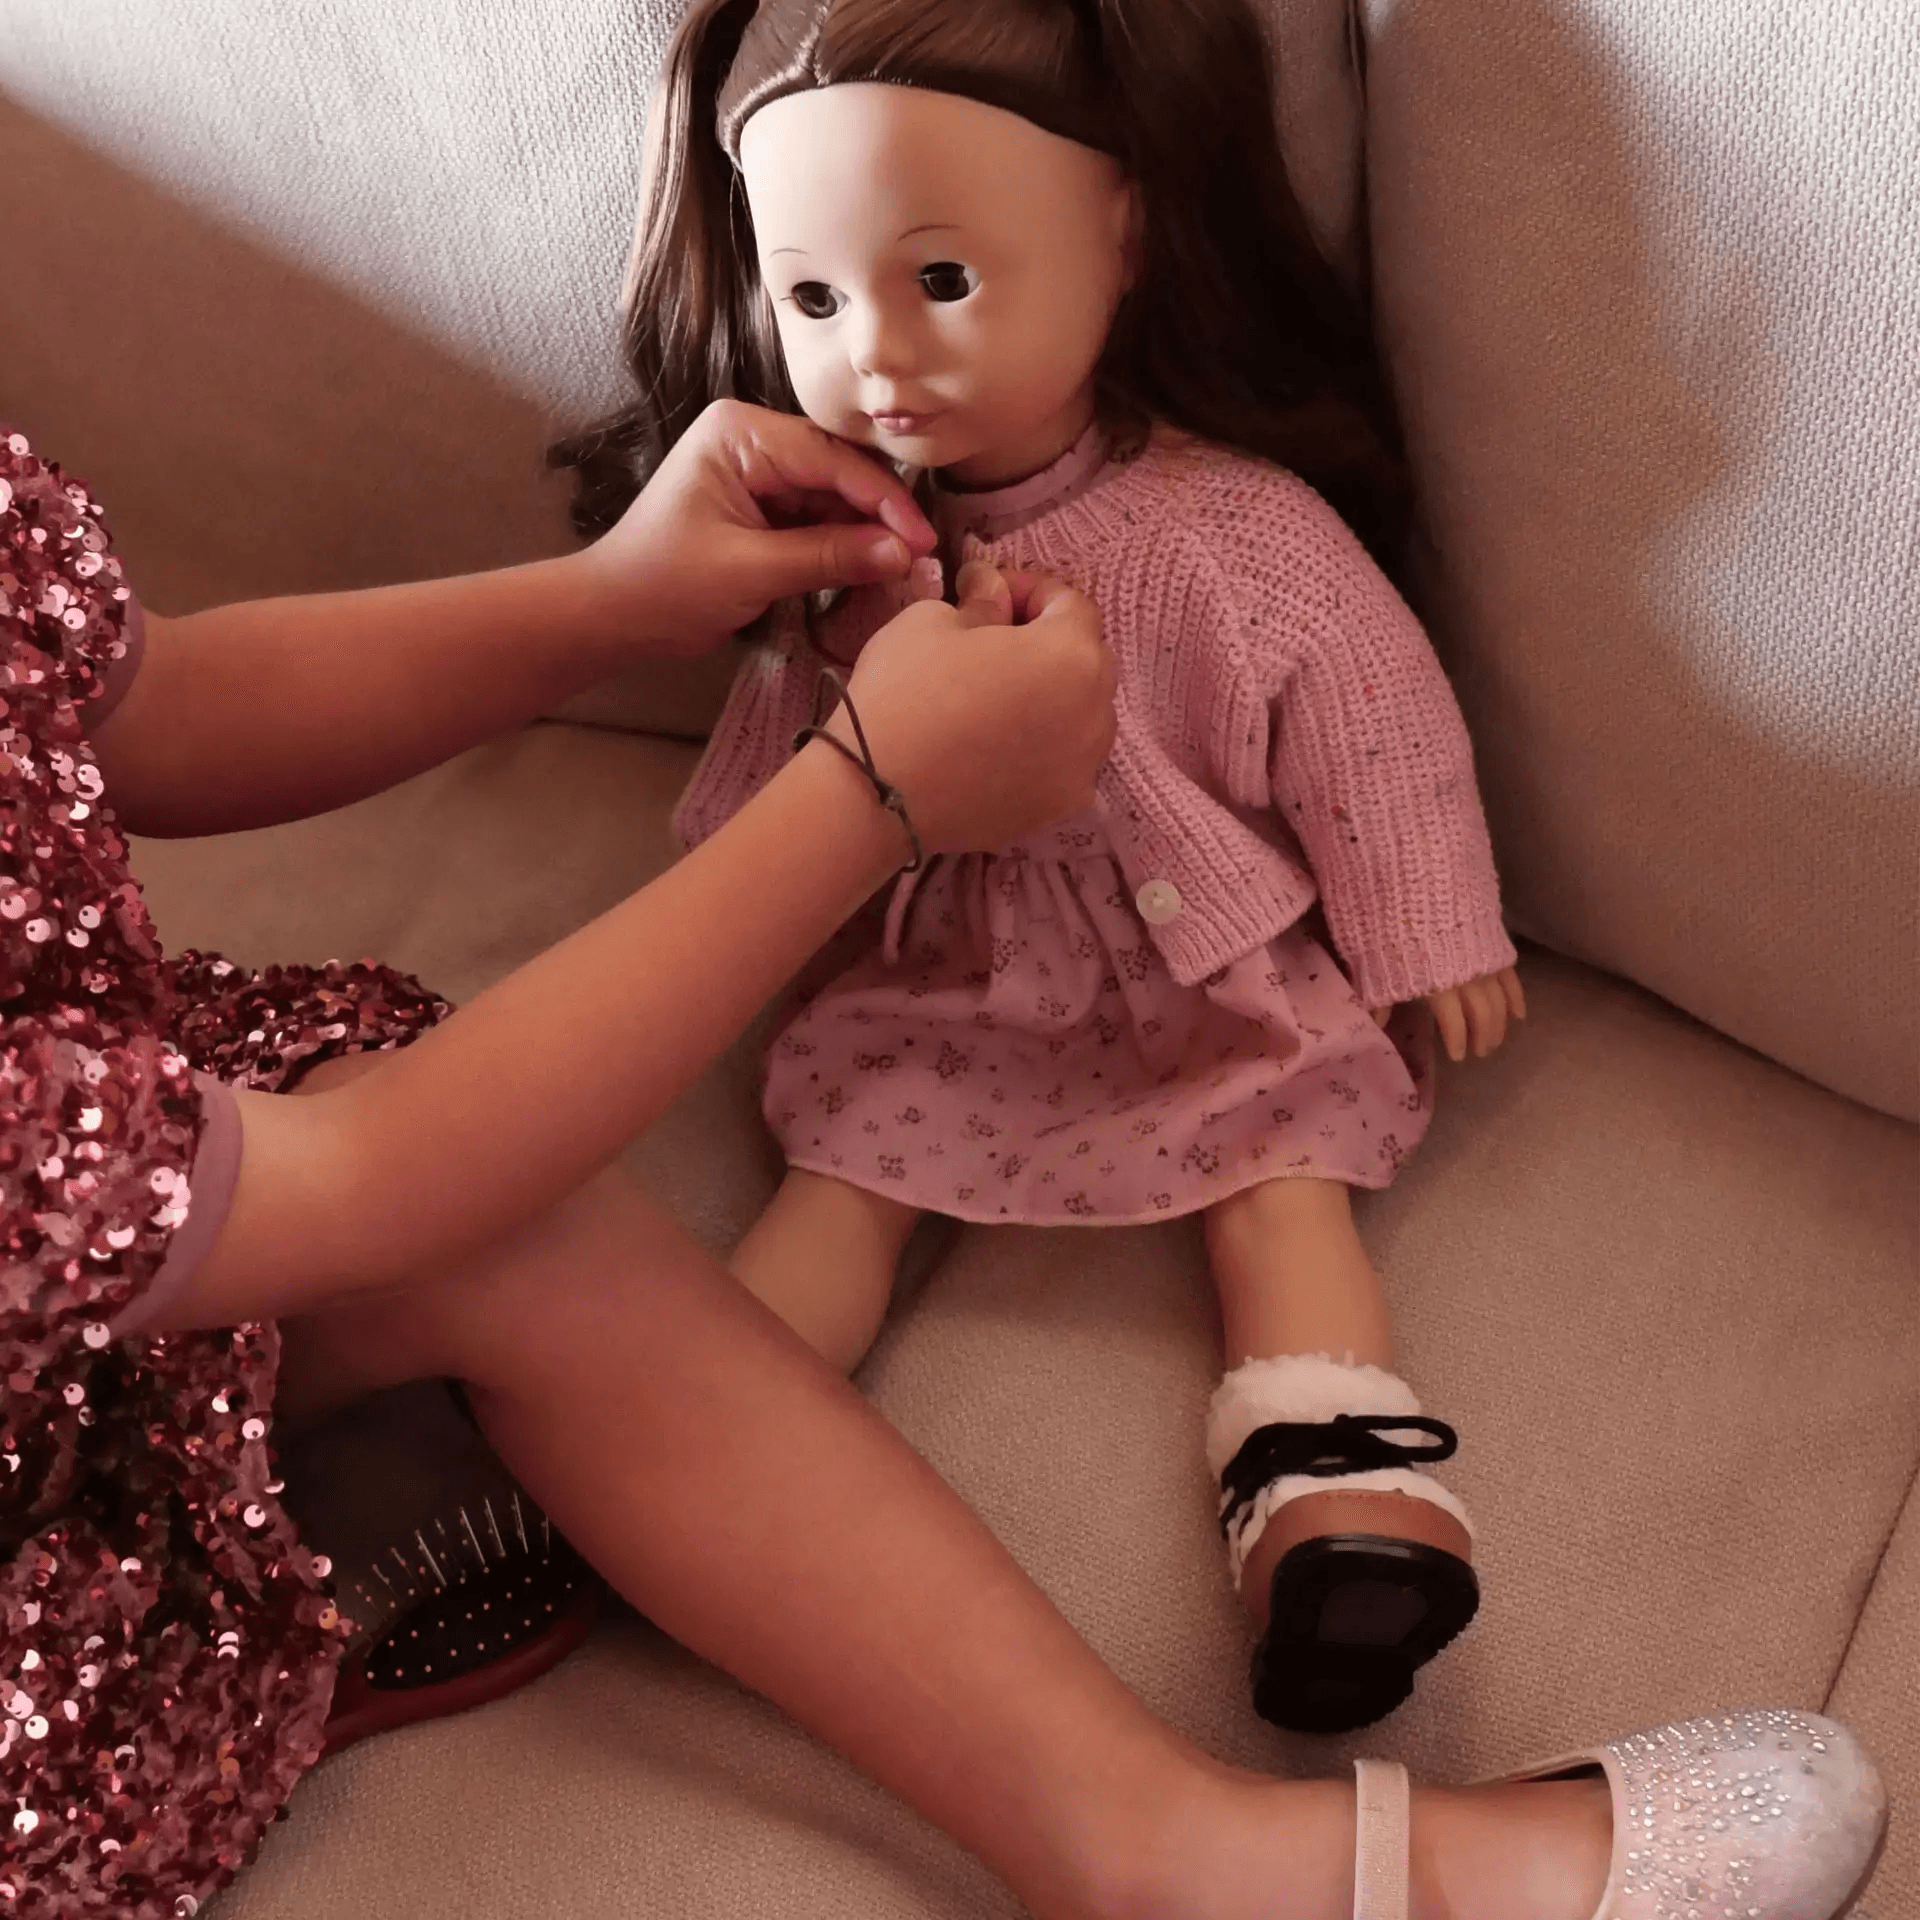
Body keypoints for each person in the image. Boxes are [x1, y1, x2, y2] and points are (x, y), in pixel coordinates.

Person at [0, 406, 1884, 1920]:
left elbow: (128, 709)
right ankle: (1188, 1855)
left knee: (550, 1229)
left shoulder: (1231, 534)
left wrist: (612, 597)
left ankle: (1302, 1502)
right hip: (140, 1284)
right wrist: (871, 797)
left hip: (157, 1210)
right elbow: (366, 1184)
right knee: (548, 1200)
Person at [554, 0, 1518, 1738]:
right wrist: (735, 904)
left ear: (1125, 236)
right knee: (846, 1173)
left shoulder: (1235, 530)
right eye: (815, 301)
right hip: (955, 967)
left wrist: (1431, 927)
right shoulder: (847, 551)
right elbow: (785, 759)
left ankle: (1336, 1502)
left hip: (1216, 973)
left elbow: (1373, 726)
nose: (877, 357)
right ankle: (669, 1464)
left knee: (1279, 1177)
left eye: (941, 280)